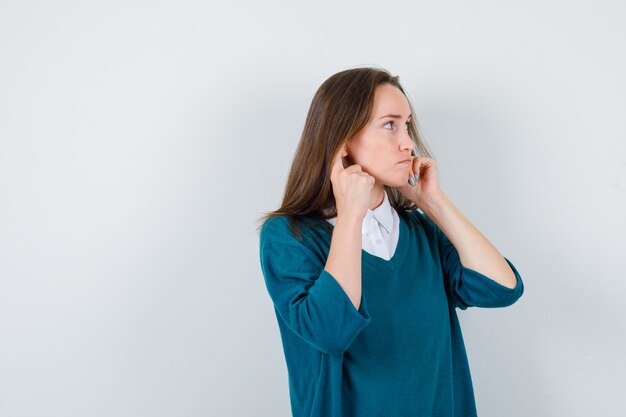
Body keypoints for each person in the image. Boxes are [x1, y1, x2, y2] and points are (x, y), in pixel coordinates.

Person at [256, 66, 524, 417]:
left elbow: (503, 288)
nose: (408, 142)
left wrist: (434, 202)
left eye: (407, 125)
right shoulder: (289, 238)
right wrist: (351, 214)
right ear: (343, 142)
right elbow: (331, 331)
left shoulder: (421, 232)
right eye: (389, 124)